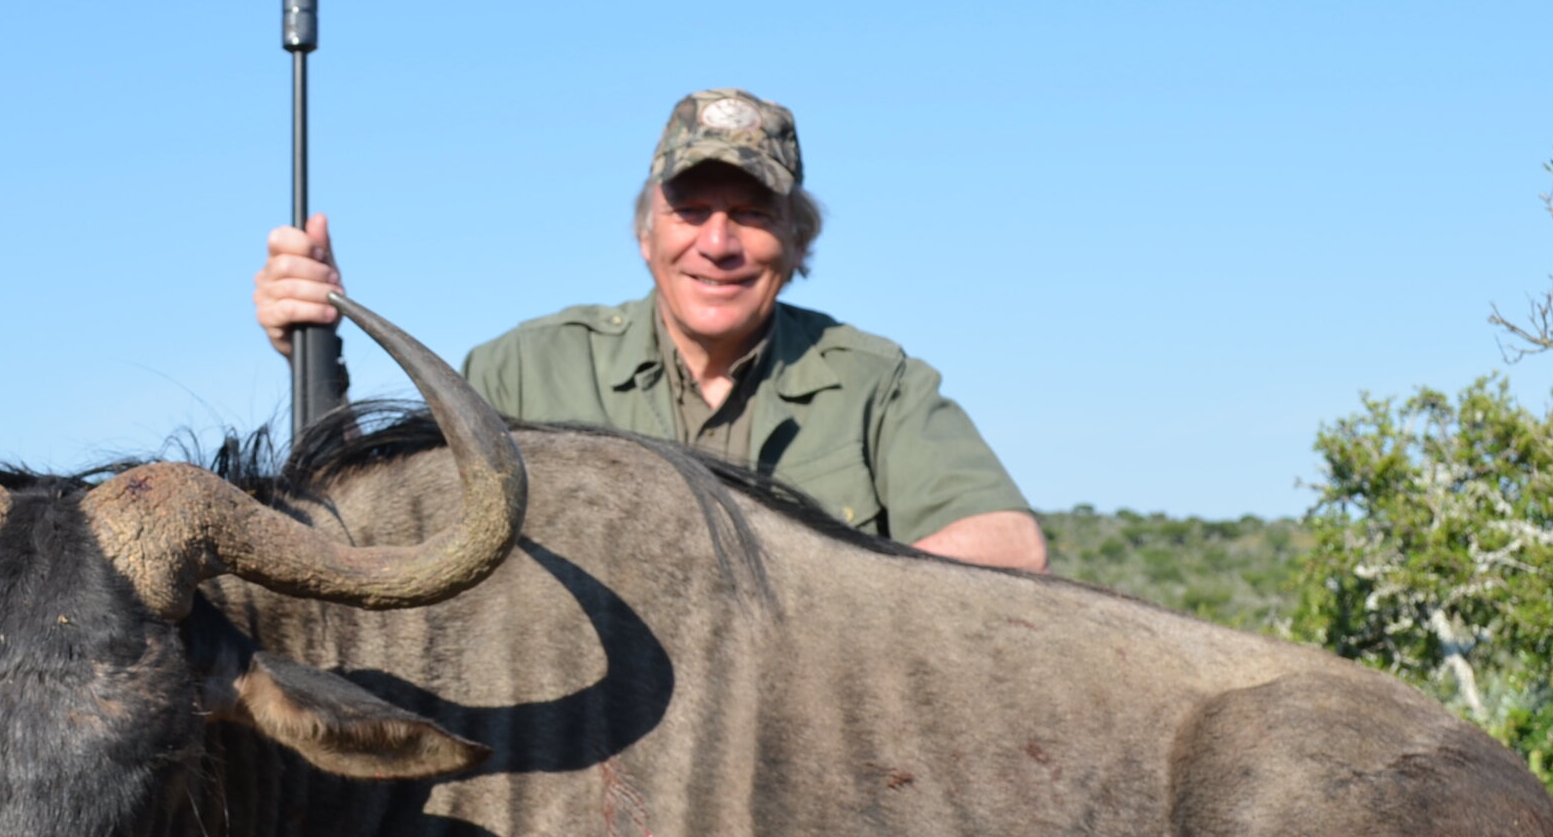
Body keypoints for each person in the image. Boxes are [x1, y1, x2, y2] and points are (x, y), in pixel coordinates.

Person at [253, 87, 1048, 572]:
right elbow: (386, 525)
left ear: (799, 241)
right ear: (646, 235)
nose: (719, 243)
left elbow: (1009, 547)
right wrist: (318, 353)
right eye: (691, 212)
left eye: (751, 215)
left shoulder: (879, 383)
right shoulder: (527, 368)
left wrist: (775, 587)